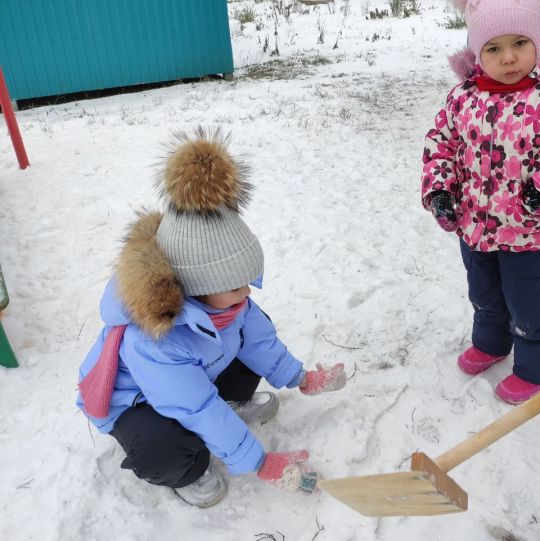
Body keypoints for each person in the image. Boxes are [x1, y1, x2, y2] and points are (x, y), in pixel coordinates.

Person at [76, 128, 347, 508]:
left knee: (247, 344)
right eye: (236, 285)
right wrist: (259, 462)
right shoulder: (155, 340)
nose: (247, 293)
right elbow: (195, 405)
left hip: (189, 381)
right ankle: (186, 469)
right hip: (135, 403)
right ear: (198, 284)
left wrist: (300, 377)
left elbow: (260, 342)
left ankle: (227, 415)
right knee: (165, 449)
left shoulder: (226, 303)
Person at [422, 0, 540, 404]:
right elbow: (440, 144)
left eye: (519, 43)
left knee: (530, 306)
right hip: (473, 226)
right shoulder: (464, 97)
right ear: (477, 53)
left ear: (538, 40)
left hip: (529, 230)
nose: (508, 57)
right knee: (485, 297)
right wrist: (440, 190)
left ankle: (537, 370)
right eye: (493, 48)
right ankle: (492, 343)